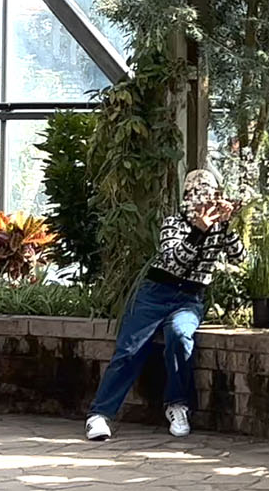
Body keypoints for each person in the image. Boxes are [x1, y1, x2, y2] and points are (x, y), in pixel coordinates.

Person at [86, 169, 243, 442]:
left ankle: (177, 405)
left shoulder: (220, 227)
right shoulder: (174, 223)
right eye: (198, 198)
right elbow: (174, 261)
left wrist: (227, 226)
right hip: (155, 292)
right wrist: (197, 232)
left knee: (181, 336)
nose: (203, 205)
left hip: (189, 298)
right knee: (129, 349)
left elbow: (240, 257)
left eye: (209, 199)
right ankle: (99, 414)